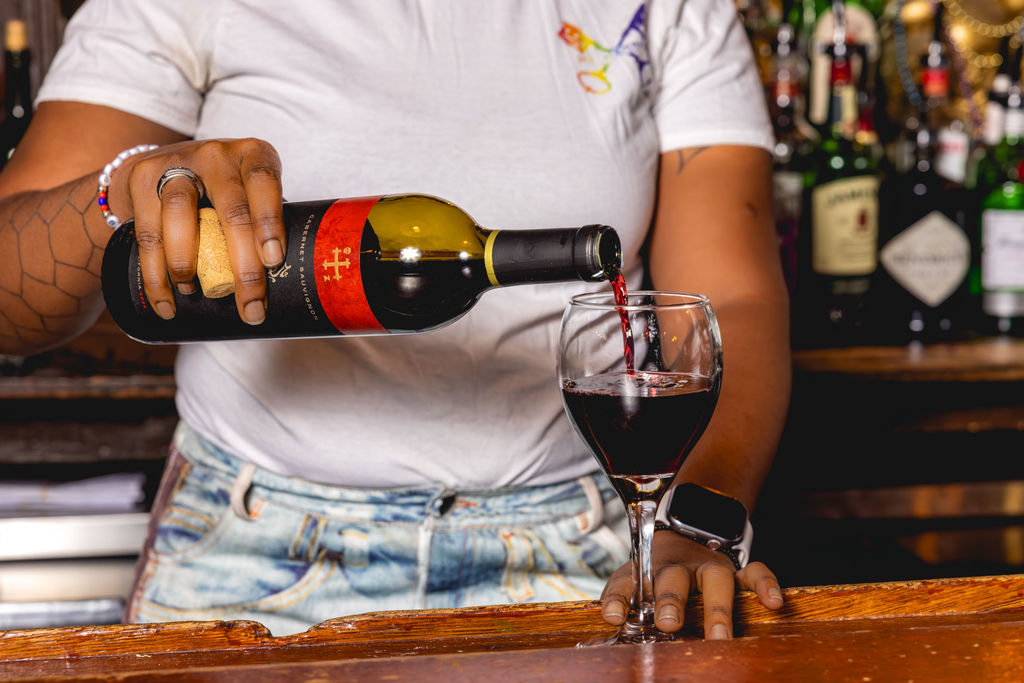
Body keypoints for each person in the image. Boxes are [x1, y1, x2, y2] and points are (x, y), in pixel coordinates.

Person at [0, 0, 790, 638]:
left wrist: (696, 521)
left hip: (586, 552)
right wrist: (115, 194)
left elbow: (733, 304)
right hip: (254, 551)